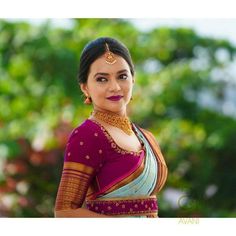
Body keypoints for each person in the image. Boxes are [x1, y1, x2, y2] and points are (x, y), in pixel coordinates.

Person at [54, 37, 168, 218]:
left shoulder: (146, 137)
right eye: (102, 79)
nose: (114, 87)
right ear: (85, 88)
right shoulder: (88, 135)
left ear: (133, 79)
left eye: (122, 76)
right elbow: (65, 212)